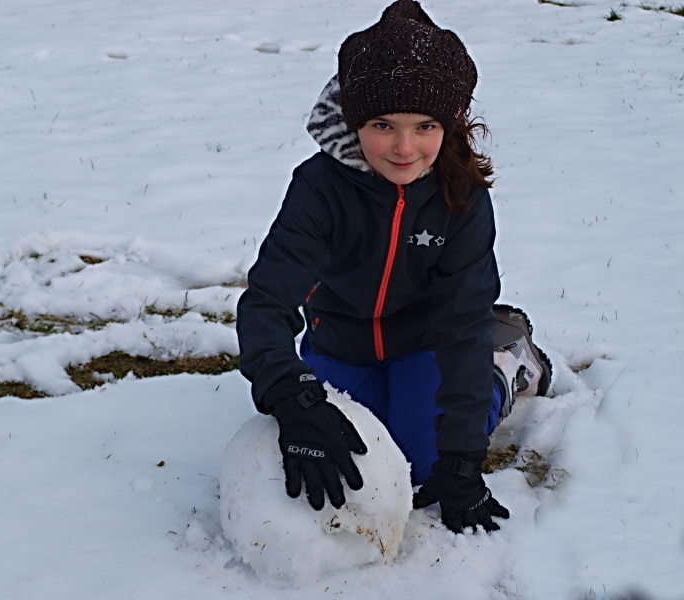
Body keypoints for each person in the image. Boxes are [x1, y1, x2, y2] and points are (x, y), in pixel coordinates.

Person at [236, 0, 552, 534]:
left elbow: (462, 321)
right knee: (354, 461)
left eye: (424, 126)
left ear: (449, 124)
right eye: (383, 125)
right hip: (339, 342)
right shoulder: (319, 187)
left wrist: (464, 456)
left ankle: (507, 362)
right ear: (353, 121)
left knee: (425, 469)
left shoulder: (461, 195)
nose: (405, 148)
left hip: (426, 342)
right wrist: (290, 395)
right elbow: (267, 300)